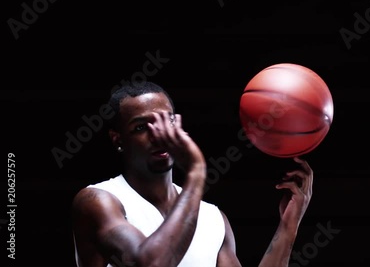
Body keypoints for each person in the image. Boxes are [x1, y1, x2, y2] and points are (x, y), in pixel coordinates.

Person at [71, 81, 314, 267]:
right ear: (118, 139)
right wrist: (196, 172)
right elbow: (150, 263)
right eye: (141, 127)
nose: (158, 135)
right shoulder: (98, 200)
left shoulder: (212, 217)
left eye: (166, 122)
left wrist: (289, 225)